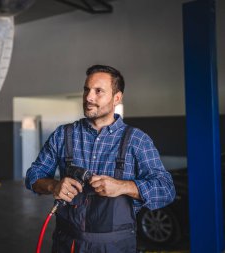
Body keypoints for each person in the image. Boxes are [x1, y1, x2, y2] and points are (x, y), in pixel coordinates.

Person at [25, 64, 175, 253]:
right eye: (87, 90)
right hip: (69, 244)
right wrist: (53, 186)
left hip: (116, 247)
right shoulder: (63, 135)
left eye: (98, 91)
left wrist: (122, 186)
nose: (88, 97)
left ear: (117, 98)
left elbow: (166, 189)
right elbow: (33, 176)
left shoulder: (137, 140)